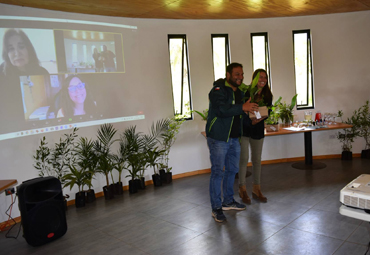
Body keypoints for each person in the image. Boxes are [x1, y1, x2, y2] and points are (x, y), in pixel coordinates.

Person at [206, 62, 259, 223]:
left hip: (235, 139)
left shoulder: (240, 93)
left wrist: (254, 115)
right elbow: (222, 110)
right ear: (228, 75)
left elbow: (239, 114)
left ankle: (228, 201)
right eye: (237, 74)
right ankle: (216, 207)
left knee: (232, 171)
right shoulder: (218, 90)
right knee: (217, 173)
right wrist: (242, 107)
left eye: (242, 74)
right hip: (219, 139)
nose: (240, 77)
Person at [238, 69, 273, 204]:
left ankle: (256, 189)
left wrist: (258, 119)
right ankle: (242, 189)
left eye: (265, 77)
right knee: (244, 159)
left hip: (258, 130)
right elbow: (243, 109)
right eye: (260, 77)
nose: (263, 80)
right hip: (245, 129)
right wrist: (250, 119)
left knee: (257, 160)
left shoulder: (268, 95)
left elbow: (267, 111)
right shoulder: (246, 92)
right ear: (254, 78)